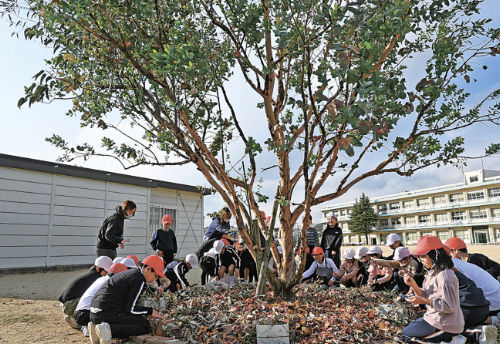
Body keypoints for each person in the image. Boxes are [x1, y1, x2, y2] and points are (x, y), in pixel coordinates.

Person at [401, 235, 464, 343]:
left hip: (446, 323)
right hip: (433, 318)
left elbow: (449, 306)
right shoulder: (432, 272)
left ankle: (451, 340)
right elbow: (427, 294)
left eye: (424, 256)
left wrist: (422, 301)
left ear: (436, 254)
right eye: (419, 257)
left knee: (406, 336)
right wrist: (413, 285)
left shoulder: (445, 276)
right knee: (406, 332)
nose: (421, 260)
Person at [89, 255, 164, 344]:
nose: (154, 279)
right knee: (144, 325)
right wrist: (150, 311)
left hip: (95, 313)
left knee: (136, 318)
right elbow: (131, 309)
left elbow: (126, 305)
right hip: (105, 313)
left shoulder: (132, 273)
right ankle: (108, 330)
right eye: (155, 276)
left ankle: (96, 328)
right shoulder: (139, 279)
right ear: (147, 269)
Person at [59, 256, 112, 329]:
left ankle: (72, 317)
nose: (107, 274)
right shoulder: (97, 278)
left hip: (66, 303)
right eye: (106, 271)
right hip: (69, 305)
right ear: (98, 269)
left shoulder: (90, 275)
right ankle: (76, 320)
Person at [73, 263, 128, 328]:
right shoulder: (110, 283)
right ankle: (93, 325)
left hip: (79, 313)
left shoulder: (101, 279)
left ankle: (88, 326)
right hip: (86, 315)